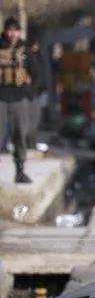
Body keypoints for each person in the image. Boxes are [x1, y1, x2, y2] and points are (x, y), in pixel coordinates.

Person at [0, 17, 40, 184]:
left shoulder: (25, 51)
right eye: (9, 30)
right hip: (1, 98)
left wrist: (29, 92)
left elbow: (37, 73)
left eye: (15, 30)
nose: (12, 34)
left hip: (19, 99)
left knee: (20, 135)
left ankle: (20, 171)